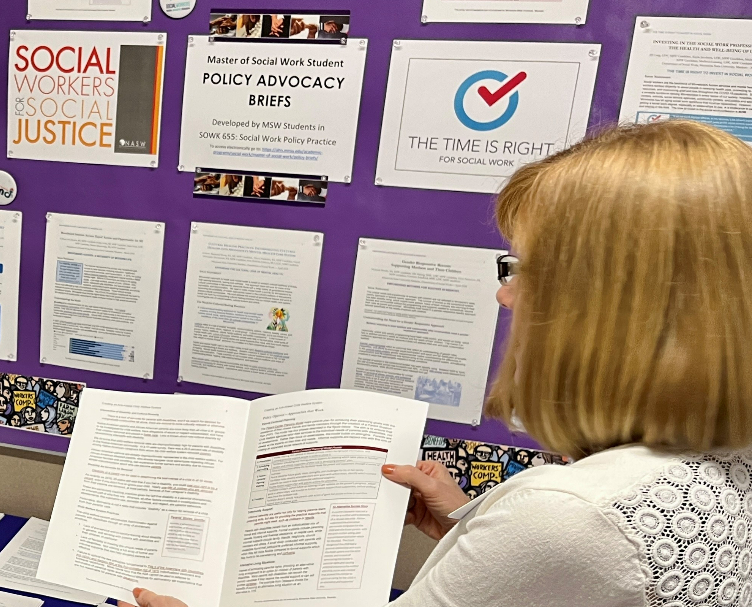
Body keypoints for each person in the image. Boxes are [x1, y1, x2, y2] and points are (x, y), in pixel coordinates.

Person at [122, 119, 752, 607]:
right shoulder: (717, 456)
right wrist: (466, 520)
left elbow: (585, 535)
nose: (506, 294)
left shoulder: (570, 515)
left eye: (523, 267)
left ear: (607, 300)